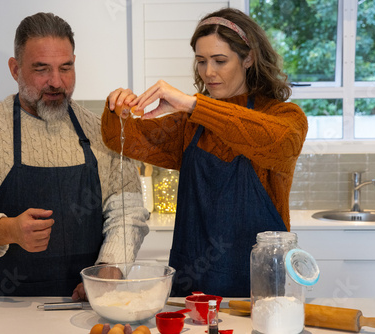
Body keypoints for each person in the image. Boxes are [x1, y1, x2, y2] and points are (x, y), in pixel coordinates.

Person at [0, 12, 149, 298]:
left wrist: (110, 268)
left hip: (83, 308)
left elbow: (128, 211)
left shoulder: (101, 132)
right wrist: (8, 230)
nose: (56, 81)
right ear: (15, 69)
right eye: (41, 69)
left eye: (65, 68)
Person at [102, 8, 308, 297]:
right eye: (201, 61)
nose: (208, 72)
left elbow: (276, 141)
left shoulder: (284, 117)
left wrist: (193, 105)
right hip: (192, 290)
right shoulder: (191, 125)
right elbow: (118, 138)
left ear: (248, 58)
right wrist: (117, 107)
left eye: (220, 61)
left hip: (257, 293)